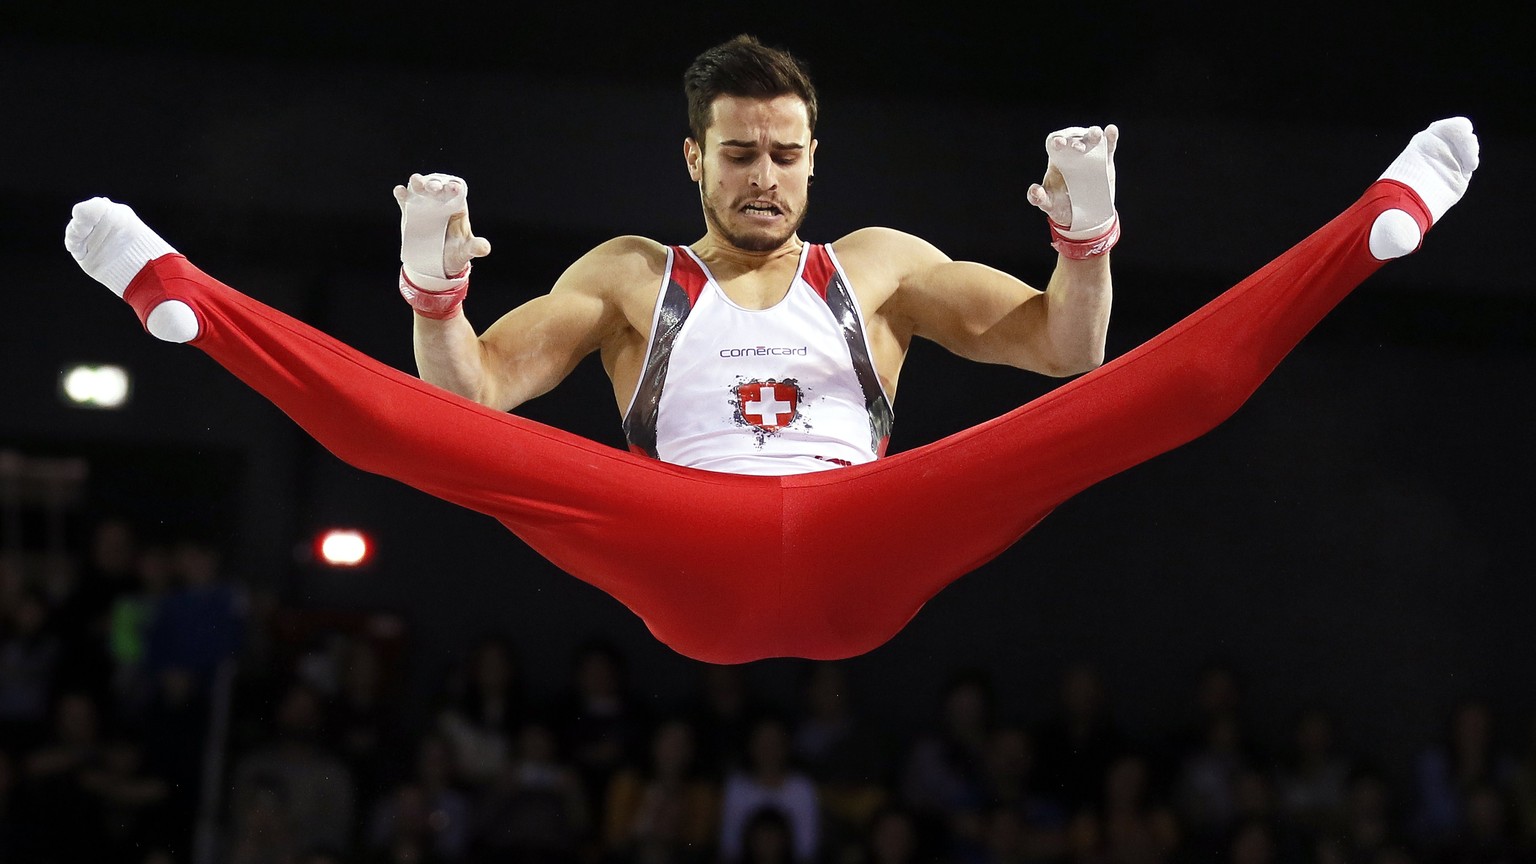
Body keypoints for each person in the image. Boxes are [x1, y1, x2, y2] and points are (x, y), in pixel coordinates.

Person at [62, 36, 1478, 664]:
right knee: (443, 453)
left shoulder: (882, 266)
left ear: (815, 158)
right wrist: (436, 305)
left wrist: (1084, 248)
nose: (765, 177)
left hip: (867, 531)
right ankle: (182, 296)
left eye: (786, 154)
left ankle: (1379, 221)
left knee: (1133, 407)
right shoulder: (627, 276)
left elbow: (1061, 357)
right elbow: (479, 409)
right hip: (682, 542)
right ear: (692, 157)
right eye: (738, 154)